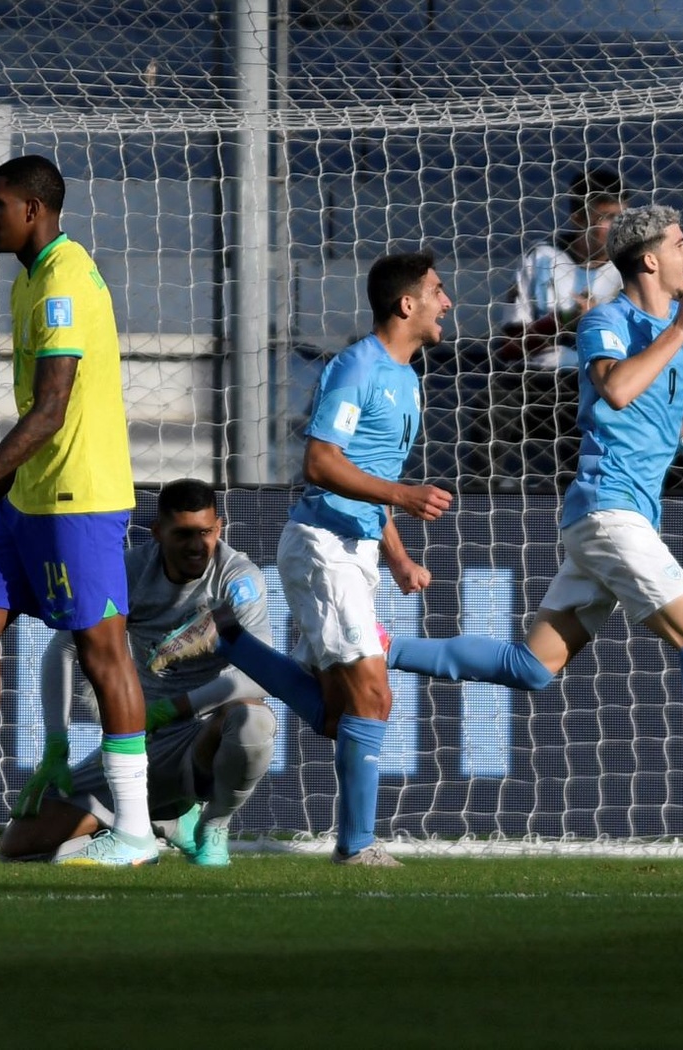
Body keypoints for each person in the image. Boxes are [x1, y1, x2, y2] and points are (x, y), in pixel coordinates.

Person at [153, 206, 683, 840]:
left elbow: (664, 398)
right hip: (609, 512)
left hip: (621, 516)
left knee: (532, 668)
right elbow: (619, 391)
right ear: (647, 261)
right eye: (680, 243)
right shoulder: (609, 321)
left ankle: (382, 650)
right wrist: (681, 330)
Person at [156, 250, 454, 866]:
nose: (446, 302)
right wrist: (401, 496)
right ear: (407, 304)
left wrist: (395, 553)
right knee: (374, 699)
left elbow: (366, 474)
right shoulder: (357, 367)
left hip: (356, 549)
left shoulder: (407, 377)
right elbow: (321, 463)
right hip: (323, 548)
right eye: (437, 291)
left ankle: (230, 639)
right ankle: (357, 848)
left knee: (337, 715)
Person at [0, 155, 155, 865]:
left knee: (102, 650)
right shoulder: (30, 279)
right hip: (28, 495)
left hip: (75, 496)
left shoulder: (62, 280)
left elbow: (52, 410)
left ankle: (138, 833)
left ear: (32, 209)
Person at [0, 479, 277, 866]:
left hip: (202, 733)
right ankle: (165, 821)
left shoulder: (238, 578)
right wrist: (56, 744)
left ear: (220, 527)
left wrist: (177, 707)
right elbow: (63, 648)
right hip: (142, 741)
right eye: (183, 534)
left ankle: (214, 824)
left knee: (253, 719)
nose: (197, 545)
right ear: (157, 532)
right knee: (18, 846)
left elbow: (261, 673)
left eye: (206, 532)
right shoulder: (128, 572)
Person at [485, 165, 628, 491]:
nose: (619, 228)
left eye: (623, 217)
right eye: (608, 218)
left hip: (602, 379)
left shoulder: (630, 269)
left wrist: (595, 323)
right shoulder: (542, 258)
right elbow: (510, 346)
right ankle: (488, 493)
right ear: (579, 219)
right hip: (538, 380)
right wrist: (564, 321)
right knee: (493, 402)